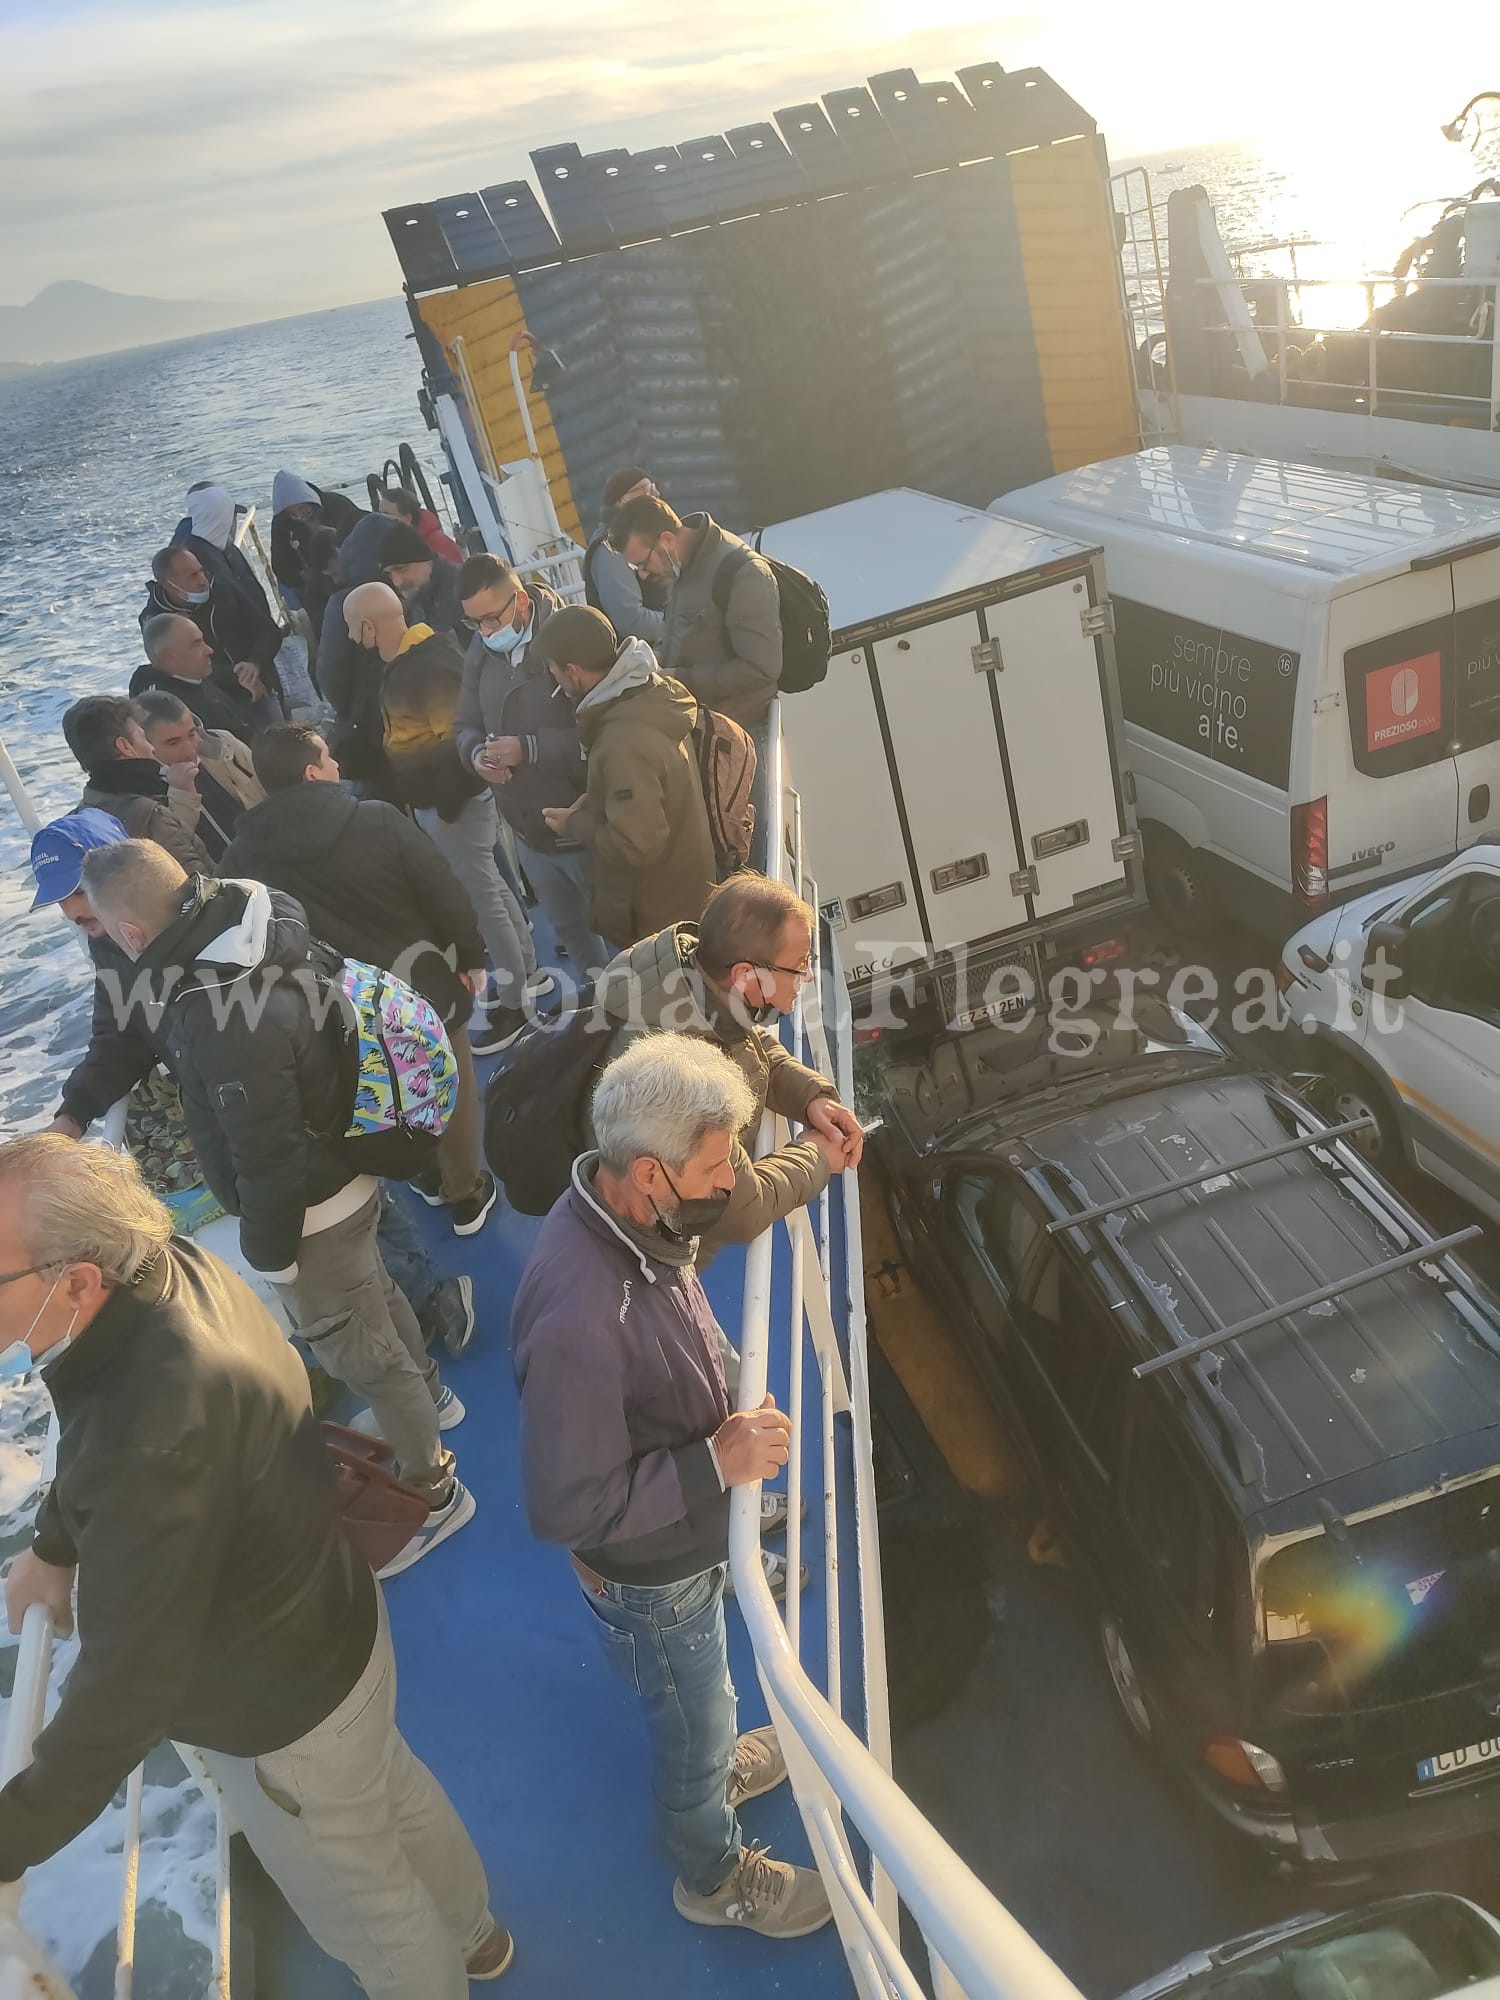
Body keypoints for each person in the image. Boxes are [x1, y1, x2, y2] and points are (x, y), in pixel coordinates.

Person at [0, 1136, 511, 1995]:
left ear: (76, 1283)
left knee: (368, 1908)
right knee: (393, 1789)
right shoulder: (168, 1263)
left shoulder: (148, 1429)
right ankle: (477, 1937)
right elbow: (100, 1439)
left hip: (289, 1715)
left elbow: (126, 1690)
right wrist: (56, 1545)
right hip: (340, 1623)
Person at [512, 1034, 832, 1941]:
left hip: (684, 1537)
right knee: (696, 1723)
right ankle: (711, 1873)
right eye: (719, 1163)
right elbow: (565, 1508)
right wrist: (716, 1464)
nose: (734, 1179)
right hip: (651, 1577)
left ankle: (720, 1765)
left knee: (711, 1704)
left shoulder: (638, 1219)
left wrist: (727, 1386)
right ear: (652, 1173)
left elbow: (679, 1313)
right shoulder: (580, 1314)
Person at [81, 840, 473, 1572]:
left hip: (311, 1205)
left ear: (132, 934)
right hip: (351, 1163)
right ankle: (433, 1400)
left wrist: (268, 1250)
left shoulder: (220, 1015)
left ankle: (434, 1491)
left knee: (357, 1345)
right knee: (377, 1301)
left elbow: (265, 1152)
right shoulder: (256, 915)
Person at [30, 810, 474, 1356]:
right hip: (263, 1106)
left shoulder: (206, 961)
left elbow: (267, 1133)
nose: (75, 917)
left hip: (298, 1108)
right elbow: (119, 1035)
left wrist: (271, 1256)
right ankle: (415, 1318)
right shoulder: (119, 942)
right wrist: (73, 1114)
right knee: (356, 1215)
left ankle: (428, 1306)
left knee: (360, 1209)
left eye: (79, 901)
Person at [221, 722, 498, 1236]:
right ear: (311, 772)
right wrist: (469, 954)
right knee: (452, 1084)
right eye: (328, 758)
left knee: (381, 1092)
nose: (338, 767)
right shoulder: (377, 819)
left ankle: (423, 1173)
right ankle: (465, 1193)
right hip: (421, 986)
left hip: (336, 1006)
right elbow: (441, 890)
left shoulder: (241, 859)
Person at [593, 870, 863, 1251]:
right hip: (648, 1246)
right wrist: (818, 1155)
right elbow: (740, 1210)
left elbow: (749, 1045)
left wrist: (811, 1097)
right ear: (746, 975)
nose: (807, 978)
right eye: (799, 964)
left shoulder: (691, 982)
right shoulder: (682, 1075)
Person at [343, 581, 537, 1052]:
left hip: (453, 805)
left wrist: (444, 803)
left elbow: (453, 743)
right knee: (491, 888)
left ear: (368, 626)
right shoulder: (420, 659)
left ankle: (516, 1004)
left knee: (482, 899)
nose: (351, 638)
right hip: (452, 802)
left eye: (353, 628)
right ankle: (527, 975)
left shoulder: (422, 668)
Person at [455, 554, 607, 988]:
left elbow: (601, 733)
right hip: (529, 833)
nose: (485, 631)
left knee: (620, 934)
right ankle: (605, 1010)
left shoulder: (571, 638)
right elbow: (463, 722)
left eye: (490, 618)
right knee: (571, 934)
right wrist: (476, 757)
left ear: (521, 601)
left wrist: (529, 749)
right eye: (474, 623)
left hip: (584, 826)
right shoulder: (480, 651)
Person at [537, 605, 715, 951]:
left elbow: (638, 844)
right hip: (690, 893)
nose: (555, 680)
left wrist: (575, 824)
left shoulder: (621, 740)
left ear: (573, 672)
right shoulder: (648, 692)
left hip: (662, 921)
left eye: (554, 671)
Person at [608, 494, 782, 726]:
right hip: (706, 727)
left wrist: (679, 677)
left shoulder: (742, 572)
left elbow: (760, 670)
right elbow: (681, 629)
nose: (643, 574)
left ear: (667, 539)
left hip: (743, 732)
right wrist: (656, 657)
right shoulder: (680, 566)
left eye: (643, 564)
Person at [61, 695, 214, 873]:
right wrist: (183, 798)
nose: (152, 748)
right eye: (143, 737)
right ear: (125, 746)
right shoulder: (150, 814)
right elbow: (201, 887)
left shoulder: (81, 820)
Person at [139, 543, 285, 704]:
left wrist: (255, 663)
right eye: (192, 576)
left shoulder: (222, 587)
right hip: (217, 700)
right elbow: (175, 669)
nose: (203, 580)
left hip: (261, 678)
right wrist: (239, 677)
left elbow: (268, 630)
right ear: (169, 585)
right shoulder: (156, 620)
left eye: (201, 571)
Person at [133, 688, 264, 862]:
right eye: (173, 743)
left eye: (191, 734)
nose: (190, 750)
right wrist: (182, 794)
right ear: (145, 743)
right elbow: (173, 852)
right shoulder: (142, 793)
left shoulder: (224, 745)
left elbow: (266, 794)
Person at [131, 612, 267, 739]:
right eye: (196, 645)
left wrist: (249, 689)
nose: (209, 650)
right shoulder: (167, 707)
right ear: (167, 656)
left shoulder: (191, 676)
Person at [584, 467, 668, 645]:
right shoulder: (609, 548)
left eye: (654, 486)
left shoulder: (633, 537)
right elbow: (631, 620)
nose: (656, 493)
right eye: (647, 489)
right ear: (623, 501)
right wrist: (677, 624)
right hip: (644, 657)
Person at [270, 470, 365, 601]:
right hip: (312, 584)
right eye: (293, 513)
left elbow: (362, 532)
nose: (299, 516)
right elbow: (281, 565)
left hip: (354, 568)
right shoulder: (281, 525)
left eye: (302, 509)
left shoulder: (336, 504)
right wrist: (305, 581)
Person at [379, 520, 467, 639]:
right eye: (389, 574)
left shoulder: (468, 588)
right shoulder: (417, 596)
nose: (397, 582)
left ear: (426, 560)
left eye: (401, 569)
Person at [380, 484, 463, 564]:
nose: (380, 519)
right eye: (379, 514)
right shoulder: (399, 543)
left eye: (387, 515)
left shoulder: (438, 544)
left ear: (408, 518)